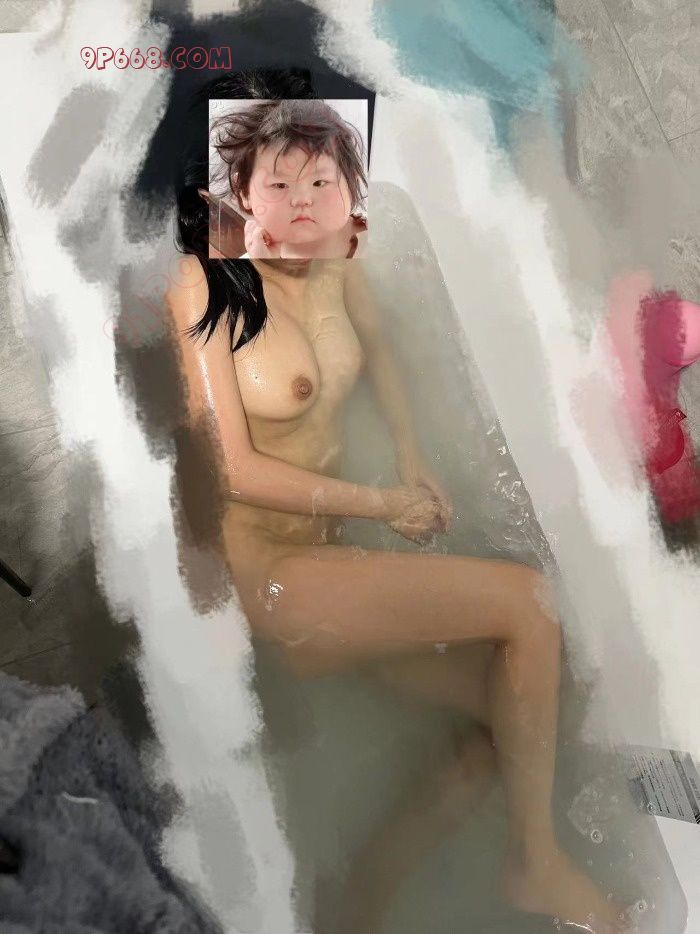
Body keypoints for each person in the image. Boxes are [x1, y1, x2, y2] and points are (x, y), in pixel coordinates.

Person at [166, 68, 628, 933]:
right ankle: (535, 866)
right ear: (236, 193)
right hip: (276, 581)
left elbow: (380, 348)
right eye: (278, 186)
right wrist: (384, 503)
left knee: (521, 714)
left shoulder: (332, 256)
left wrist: (414, 455)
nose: (303, 205)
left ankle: (365, 890)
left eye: (320, 182)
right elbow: (236, 471)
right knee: (530, 609)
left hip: (337, 563)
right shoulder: (202, 286)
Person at [208, 99, 368, 260]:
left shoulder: (377, 239)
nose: (302, 200)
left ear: (352, 183)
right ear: (244, 192)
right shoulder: (254, 263)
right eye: (280, 185)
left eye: (319, 183)